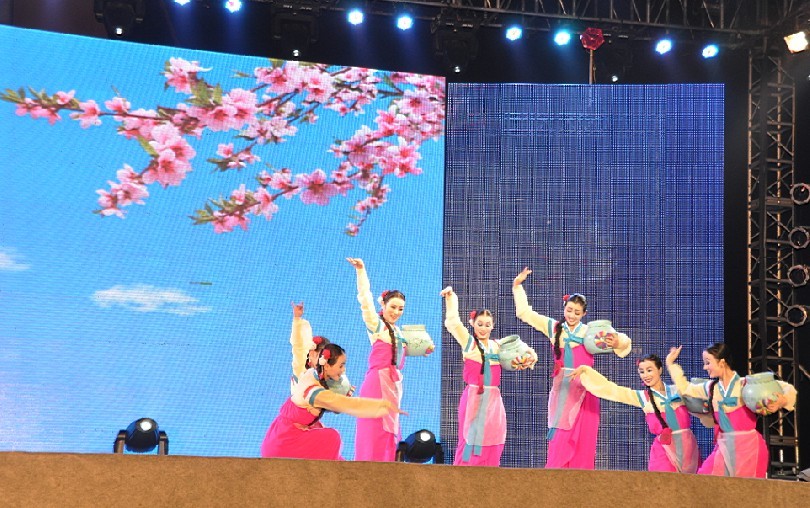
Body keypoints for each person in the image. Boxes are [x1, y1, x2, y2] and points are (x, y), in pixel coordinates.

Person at [512, 267, 632, 469]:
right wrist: (517, 286)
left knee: (585, 438)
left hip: (585, 388)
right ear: (564, 308)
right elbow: (525, 313)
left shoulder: (589, 332)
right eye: (569, 310)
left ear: (584, 314)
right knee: (560, 436)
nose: (572, 315)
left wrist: (617, 341)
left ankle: (580, 483)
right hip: (563, 390)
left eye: (577, 312)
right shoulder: (554, 327)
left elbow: (624, 343)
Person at [260, 305, 401, 460]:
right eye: (340, 366)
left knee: (338, 457)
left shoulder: (320, 380)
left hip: (295, 431)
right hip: (285, 439)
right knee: (331, 439)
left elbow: (336, 403)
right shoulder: (307, 379)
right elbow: (299, 348)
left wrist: (344, 394)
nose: (343, 371)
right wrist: (297, 321)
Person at [347, 257, 434, 461]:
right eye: (393, 307)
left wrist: (423, 349)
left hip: (393, 384)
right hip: (377, 382)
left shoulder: (398, 332)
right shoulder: (377, 326)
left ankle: (388, 468)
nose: (396, 312)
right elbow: (365, 300)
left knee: (390, 428)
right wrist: (361, 270)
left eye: (400, 309)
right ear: (384, 305)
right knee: (375, 428)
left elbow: (401, 351)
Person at [666, 343, 797, 478]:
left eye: (708, 362)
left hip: (748, 448)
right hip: (724, 446)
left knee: (745, 488)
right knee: (704, 480)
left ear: (722, 362)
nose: (705, 367)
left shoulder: (745, 384)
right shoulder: (711, 388)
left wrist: (781, 401)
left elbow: (787, 389)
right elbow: (686, 388)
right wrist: (671, 364)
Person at [441, 285, 537, 466]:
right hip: (474, 398)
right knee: (469, 438)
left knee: (494, 437)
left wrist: (530, 357)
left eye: (487, 325)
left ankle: (489, 475)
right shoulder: (469, 343)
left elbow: (523, 349)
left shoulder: (498, 346)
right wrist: (451, 298)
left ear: (492, 326)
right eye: (479, 324)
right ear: (472, 324)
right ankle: (461, 476)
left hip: (493, 400)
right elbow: (453, 323)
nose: (483, 328)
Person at [568, 354, 699, 473]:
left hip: (687, 447)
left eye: (649, 370)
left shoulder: (678, 390)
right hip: (663, 451)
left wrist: (670, 363)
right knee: (662, 485)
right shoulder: (643, 397)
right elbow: (613, 390)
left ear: (659, 370)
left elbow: (696, 393)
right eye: (642, 372)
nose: (645, 375)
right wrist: (586, 372)